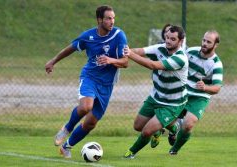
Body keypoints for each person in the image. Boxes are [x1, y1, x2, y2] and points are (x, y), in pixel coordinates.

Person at [45, 5, 128, 158]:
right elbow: (71, 48)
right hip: (90, 77)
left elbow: (125, 62)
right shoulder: (88, 36)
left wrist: (110, 60)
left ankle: (66, 147)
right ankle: (67, 128)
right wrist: (53, 61)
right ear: (99, 20)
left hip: (107, 85)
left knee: (91, 123)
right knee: (85, 106)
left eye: (113, 18)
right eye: (108, 18)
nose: (112, 21)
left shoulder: (119, 35)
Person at [123, 25, 188, 159]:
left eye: (173, 39)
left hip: (172, 104)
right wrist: (124, 50)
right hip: (156, 97)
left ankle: (131, 153)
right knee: (137, 126)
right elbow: (139, 51)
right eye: (167, 37)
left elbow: (152, 65)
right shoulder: (160, 48)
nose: (168, 41)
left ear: (180, 41)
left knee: (147, 131)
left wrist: (130, 55)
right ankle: (173, 127)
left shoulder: (180, 59)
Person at [169, 30, 223, 155]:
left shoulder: (216, 64)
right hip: (183, 91)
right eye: (204, 40)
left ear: (216, 45)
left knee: (188, 125)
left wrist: (205, 88)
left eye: (208, 42)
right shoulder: (190, 52)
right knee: (165, 119)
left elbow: (217, 88)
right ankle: (172, 131)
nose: (204, 43)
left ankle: (174, 150)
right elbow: (177, 63)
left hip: (200, 96)